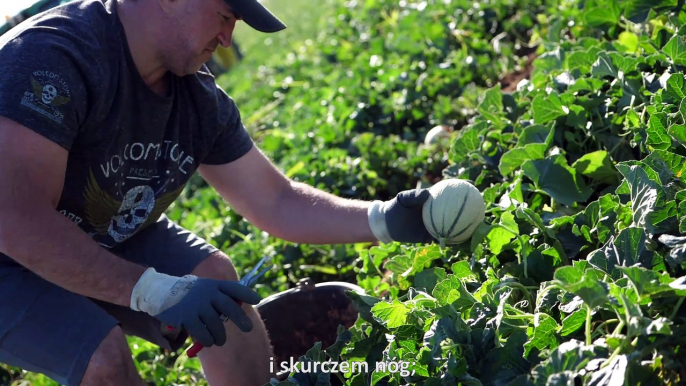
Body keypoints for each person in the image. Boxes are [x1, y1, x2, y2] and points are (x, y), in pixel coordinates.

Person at [0, 0, 435, 385]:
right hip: (7, 257)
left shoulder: (197, 99)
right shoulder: (52, 57)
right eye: (224, 15)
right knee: (104, 361)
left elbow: (276, 200)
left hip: (98, 227)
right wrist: (156, 291)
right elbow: (14, 217)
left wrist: (383, 219)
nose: (227, 37)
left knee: (217, 282)